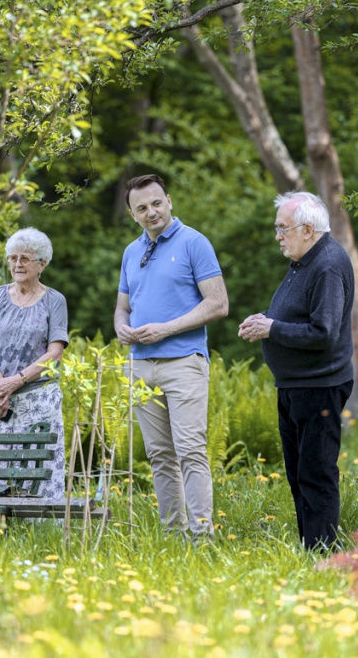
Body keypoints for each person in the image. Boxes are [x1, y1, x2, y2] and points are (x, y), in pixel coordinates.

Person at [115, 174, 229, 540]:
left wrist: (166, 328)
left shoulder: (195, 243)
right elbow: (123, 308)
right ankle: (173, 536)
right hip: (140, 364)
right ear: (132, 214)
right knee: (159, 456)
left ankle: (201, 537)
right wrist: (121, 327)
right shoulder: (132, 252)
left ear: (169, 201)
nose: (152, 212)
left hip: (183, 362)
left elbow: (218, 303)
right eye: (142, 208)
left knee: (190, 451)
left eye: (157, 203)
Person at [238, 191, 354, 551]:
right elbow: (294, 315)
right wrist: (265, 321)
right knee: (298, 472)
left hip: (319, 385)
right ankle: (311, 547)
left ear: (307, 229)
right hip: (295, 385)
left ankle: (321, 554)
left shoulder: (328, 265)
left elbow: (324, 332)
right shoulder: (304, 260)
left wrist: (271, 329)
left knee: (316, 474)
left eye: (282, 228)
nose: (277, 236)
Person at [0, 228, 69, 501]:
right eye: (13, 258)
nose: (17, 264)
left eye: (25, 259)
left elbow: (55, 353)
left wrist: (17, 381)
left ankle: (40, 531)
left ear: (43, 264)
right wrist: (1, 388)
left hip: (38, 397)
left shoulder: (55, 301)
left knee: (37, 469)